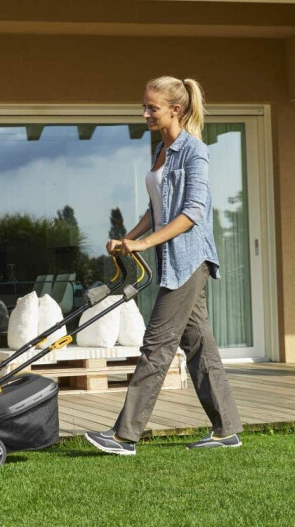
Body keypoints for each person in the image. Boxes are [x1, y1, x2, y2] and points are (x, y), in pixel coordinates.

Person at [84, 76, 242, 456]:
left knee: (156, 345)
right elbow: (156, 209)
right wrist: (127, 239)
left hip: (189, 260)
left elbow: (193, 212)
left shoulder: (194, 151)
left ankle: (124, 436)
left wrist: (144, 243)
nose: (145, 114)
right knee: (199, 345)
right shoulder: (161, 150)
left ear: (175, 109)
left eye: (151, 108)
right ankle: (227, 430)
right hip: (172, 260)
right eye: (144, 106)